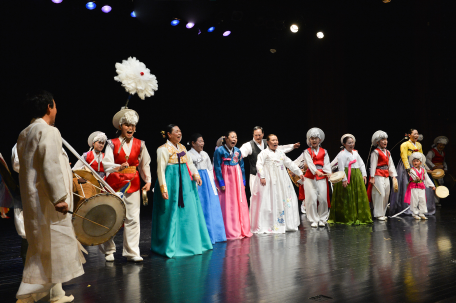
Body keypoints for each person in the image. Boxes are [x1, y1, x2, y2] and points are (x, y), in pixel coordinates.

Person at [15, 90, 84, 303]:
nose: (56, 110)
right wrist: (59, 198)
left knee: (45, 247)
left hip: (35, 201)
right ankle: (28, 295)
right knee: (54, 244)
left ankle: (56, 293)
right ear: (48, 107)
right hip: (49, 201)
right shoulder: (49, 132)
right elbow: (50, 165)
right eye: (55, 106)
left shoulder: (24, 133)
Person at [151, 125, 213, 258]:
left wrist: (196, 176)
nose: (179, 133)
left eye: (180, 131)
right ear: (169, 134)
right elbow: (160, 170)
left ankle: (189, 243)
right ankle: (171, 245)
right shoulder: (163, 149)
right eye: (176, 131)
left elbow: (189, 164)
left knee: (188, 213)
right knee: (170, 212)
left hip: (185, 182)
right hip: (172, 181)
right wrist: (163, 188)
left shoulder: (183, 148)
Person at [100, 107, 152, 262]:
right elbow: (106, 163)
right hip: (115, 184)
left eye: (133, 125)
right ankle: (109, 250)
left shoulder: (140, 144)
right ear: (120, 126)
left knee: (133, 218)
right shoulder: (112, 143)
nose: (131, 128)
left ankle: (131, 252)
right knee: (111, 217)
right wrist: (117, 167)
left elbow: (145, 164)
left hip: (133, 184)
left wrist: (148, 180)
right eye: (127, 125)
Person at [250, 134, 304, 233]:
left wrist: (299, 172)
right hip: (270, 181)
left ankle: (285, 224)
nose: (275, 142)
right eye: (273, 140)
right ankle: (270, 224)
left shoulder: (280, 153)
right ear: (268, 142)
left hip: (282, 180)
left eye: (276, 140)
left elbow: (289, 163)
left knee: (283, 199)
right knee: (269, 200)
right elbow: (259, 164)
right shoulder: (264, 153)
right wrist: (262, 176)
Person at [188, 133, 227, 244]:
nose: (202, 143)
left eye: (203, 141)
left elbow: (210, 169)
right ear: (193, 143)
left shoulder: (205, 154)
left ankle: (215, 235)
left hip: (207, 183)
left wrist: (213, 184)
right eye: (200, 141)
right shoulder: (188, 154)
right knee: (201, 207)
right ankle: (202, 237)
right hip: (197, 182)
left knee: (211, 207)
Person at [214, 131, 252, 240]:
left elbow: (242, 166)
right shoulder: (219, 151)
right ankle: (228, 230)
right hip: (226, 177)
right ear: (226, 138)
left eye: (236, 137)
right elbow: (217, 167)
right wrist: (221, 182)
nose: (234, 139)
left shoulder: (238, 151)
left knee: (239, 202)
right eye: (232, 137)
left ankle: (240, 229)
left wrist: (243, 182)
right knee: (227, 203)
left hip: (237, 177)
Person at [328, 134, 373, 225]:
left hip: (356, 176)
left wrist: (364, 175)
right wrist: (344, 179)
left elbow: (361, 163)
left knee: (357, 195)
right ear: (344, 144)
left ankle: (358, 216)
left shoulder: (355, 153)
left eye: (352, 142)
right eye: (349, 143)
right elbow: (341, 168)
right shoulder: (342, 154)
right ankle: (347, 217)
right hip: (347, 175)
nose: (351, 144)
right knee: (347, 196)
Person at [239, 126, 300, 194]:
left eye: (259, 135)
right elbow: (239, 154)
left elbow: (279, 149)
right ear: (253, 135)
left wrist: (292, 146)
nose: (258, 137)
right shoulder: (248, 145)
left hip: (268, 176)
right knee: (256, 196)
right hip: (255, 175)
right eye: (255, 135)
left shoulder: (268, 142)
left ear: (263, 134)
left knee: (269, 196)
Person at [390, 129, 435, 216]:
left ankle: (422, 209)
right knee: (408, 185)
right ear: (409, 135)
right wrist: (408, 169)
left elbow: (422, 158)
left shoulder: (419, 144)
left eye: (417, 134)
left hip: (418, 165)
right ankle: (408, 208)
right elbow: (404, 157)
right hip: (407, 165)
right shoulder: (404, 144)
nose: (416, 135)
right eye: (414, 134)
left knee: (422, 185)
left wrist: (425, 168)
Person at [302, 128, 332, 228]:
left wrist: (329, 173)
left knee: (323, 199)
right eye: (312, 138)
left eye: (316, 138)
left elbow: (327, 164)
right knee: (311, 199)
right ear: (309, 140)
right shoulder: (306, 151)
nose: (314, 140)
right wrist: (316, 171)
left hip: (322, 176)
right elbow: (310, 164)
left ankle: (322, 218)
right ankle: (313, 219)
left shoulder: (324, 151)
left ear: (320, 140)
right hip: (310, 177)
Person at [367, 131, 397, 221]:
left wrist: (394, 176)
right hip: (377, 175)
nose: (385, 141)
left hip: (386, 174)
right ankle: (378, 214)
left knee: (386, 194)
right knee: (380, 194)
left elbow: (391, 165)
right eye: (382, 140)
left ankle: (383, 213)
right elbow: (373, 165)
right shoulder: (375, 152)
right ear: (378, 142)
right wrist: (372, 177)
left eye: (386, 139)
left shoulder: (387, 152)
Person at [406, 153, 435, 219]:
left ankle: (422, 213)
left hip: (421, 186)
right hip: (414, 186)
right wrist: (416, 178)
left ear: (420, 162)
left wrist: (432, 185)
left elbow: (427, 178)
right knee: (414, 200)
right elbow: (413, 176)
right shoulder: (411, 170)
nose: (415, 162)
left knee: (422, 199)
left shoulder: (423, 170)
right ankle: (415, 213)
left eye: (417, 161)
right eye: (414, 161)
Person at [426, 136, 448, 207]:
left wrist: (445, 168)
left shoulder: (443, 152)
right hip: (433, 171)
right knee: (434, 185)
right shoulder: (432, 151)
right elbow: (427, 160)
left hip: (440, 171)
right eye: (440, 145)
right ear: (437, 144)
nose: (441, 147)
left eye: (443, 145)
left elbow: (443, 161)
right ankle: (431, 201)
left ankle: (437, 201)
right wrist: (433, 166)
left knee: (439, 185)